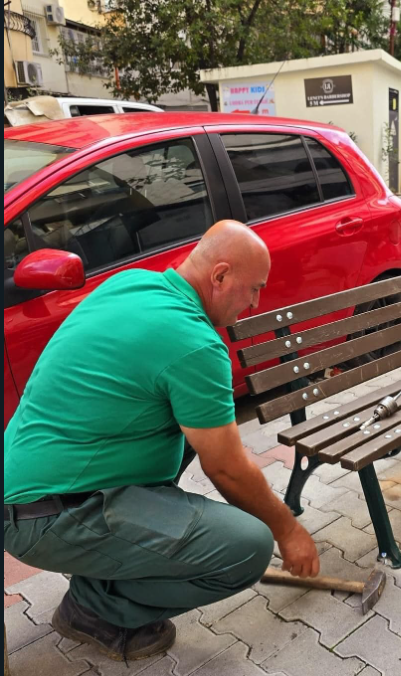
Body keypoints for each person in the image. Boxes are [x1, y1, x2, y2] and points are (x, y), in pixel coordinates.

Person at [4, 221, 319, 662]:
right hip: (43, 516)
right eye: (253, 289)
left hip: (28, 488)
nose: (255, 303)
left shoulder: (132, 283)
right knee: (247, 546)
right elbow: (226, 468)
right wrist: (289, 530)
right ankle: (93, 610)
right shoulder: (194, 343)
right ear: (220, 275)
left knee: (190, 430)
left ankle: (106, 568)